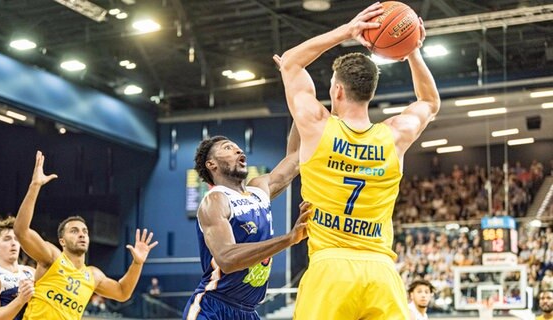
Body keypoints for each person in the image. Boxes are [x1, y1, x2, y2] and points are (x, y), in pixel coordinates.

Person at [276, 2, 440, 319]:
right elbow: (429, 102)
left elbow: (291, 65)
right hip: (380, 271)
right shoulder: (395, 135)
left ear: (337, 91)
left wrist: (348, 30)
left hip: (329, 269)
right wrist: (412, 50)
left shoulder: (316, 126)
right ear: (370, 93)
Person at [183, 123, 311, 320]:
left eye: (237, 147)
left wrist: (300, 105)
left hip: (248, 312)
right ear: (212, 164)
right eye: (227, 148)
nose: (238, 149)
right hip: (213, 308)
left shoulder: (259, 189)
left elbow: (295, 157)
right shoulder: (215, 200)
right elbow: (227, 259)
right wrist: (289, 239)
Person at [14, 151, 158, 319]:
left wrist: (137, 263)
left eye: (85, 231)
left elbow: (122, 292)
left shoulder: (93, 275)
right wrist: (35, 186)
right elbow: (21, 231)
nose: (81, 235)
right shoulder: (52, 257)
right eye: (74, 231)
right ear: (62, 241)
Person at [0, 217, 35, 320]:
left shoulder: (30, 271)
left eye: (16, 239)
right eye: (7, 239)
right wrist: (20, 300)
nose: (13, 243)